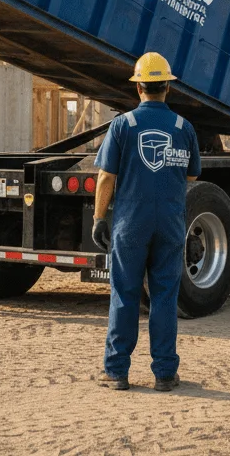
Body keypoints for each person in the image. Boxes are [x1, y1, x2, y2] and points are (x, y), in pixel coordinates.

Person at [91, 52, 200, 391]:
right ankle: (165, 374)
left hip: (131, 224)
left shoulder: (124, 125)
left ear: (138, 86)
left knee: (124, 294)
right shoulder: (184, 128)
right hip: (169, 223)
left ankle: (117, 372)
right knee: (165, 296)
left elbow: (107, 177)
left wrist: (98, 218)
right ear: (168, 86)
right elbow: (192, 177)